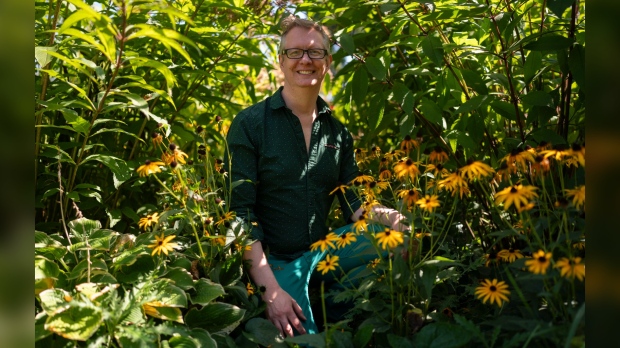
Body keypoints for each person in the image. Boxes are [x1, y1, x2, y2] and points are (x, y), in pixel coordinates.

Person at [226, 15, 409, 337]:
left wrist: (393, 218)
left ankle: (343, 308)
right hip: (273, 262)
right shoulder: (251, 124)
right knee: (306, 341)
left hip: (323, 254)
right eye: (295, 52)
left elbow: (355, 200)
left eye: (315, 52)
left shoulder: (338, 132)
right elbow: (240, 213)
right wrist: (270, 291)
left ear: (328, 61)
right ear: (281, 61)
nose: (305, 60)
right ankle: (308, 303)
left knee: (398, 241)